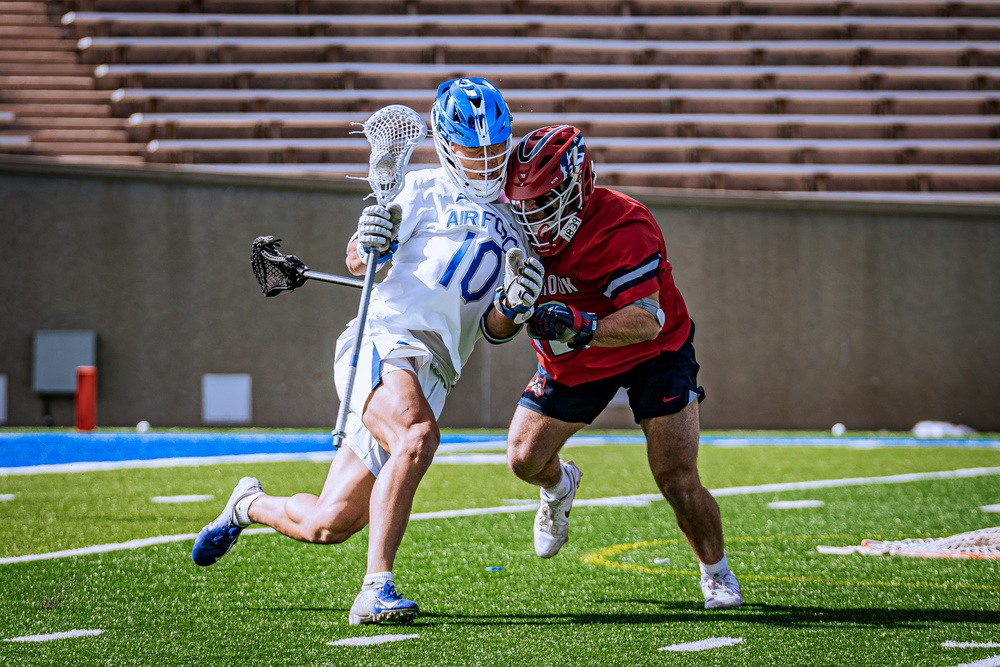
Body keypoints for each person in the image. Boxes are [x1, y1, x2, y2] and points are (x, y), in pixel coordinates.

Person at [190, 78, 544, 625]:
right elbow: (362, 258)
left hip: (436, 372)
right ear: (449, 146)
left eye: (496, 148)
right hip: (383, 342)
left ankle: (247, 504)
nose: (487, 160)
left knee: (327, 524)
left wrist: (516, 306)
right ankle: (376, 587)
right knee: (417, 435)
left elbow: (495, 331)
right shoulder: (422, 188)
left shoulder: (517, 223)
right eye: (475, 149)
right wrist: (367, 237)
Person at [502, 125, 743, 610]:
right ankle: (559, 486)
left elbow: (647, 321)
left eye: (543, 201)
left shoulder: (624, 223)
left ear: (578, 187)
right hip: (576, 359)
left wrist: (579, 323)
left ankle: (716, 572)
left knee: (676, 476)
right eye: (522, 202)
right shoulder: (502, 221)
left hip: (653, 350)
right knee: (524, 459)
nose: (530, 215)